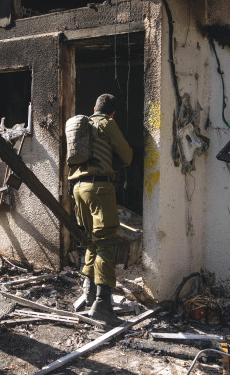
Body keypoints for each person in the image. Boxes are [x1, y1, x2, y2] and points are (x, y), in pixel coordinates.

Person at [68, 93, 133, 325]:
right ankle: (103, 305)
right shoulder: (108, 123)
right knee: (106, 242)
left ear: (94, 107)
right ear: (112, 112)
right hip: (99, 189)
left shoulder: (84, 125)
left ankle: (89, 294)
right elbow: (127, 156)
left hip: (77, 189)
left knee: (91, 241)